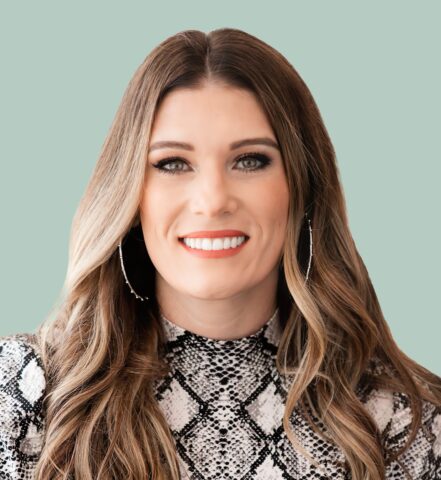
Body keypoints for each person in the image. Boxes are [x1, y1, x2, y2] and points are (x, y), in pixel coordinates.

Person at [0, 27, 440, 480]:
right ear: (130, 196)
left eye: (250, 160)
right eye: (172, 163)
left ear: (302, 189)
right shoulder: (24, 394)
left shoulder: (404, 419)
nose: (212, 201)